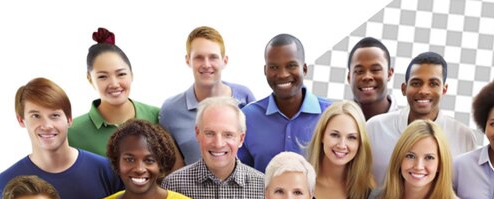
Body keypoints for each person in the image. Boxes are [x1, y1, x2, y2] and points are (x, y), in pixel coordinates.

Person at [0, 77, 121, 199]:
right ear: (21, 120)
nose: (46, 125)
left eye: (55, 115)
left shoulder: (105, 170)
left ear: (69, 119)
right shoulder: (3, 184)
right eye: (35, 116)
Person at [162, 96, 268, 199]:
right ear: (197, 133)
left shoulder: (263, 187)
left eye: (228, 134)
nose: (218, 144)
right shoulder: (173, 186)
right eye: (210, 133)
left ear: (241, 138)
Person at [68, 27, 183, 165]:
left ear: (132, 74)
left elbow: (176, 173)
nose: (114, 84)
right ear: (90, 79)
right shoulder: (72, 132)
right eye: (103, 77)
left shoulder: (158, 116)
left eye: (121, 74)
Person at [367, 52, 476, 185]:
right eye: (416, 83)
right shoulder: (374, 128)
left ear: (444, 89)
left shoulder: (463, 137)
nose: (424, 90)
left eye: (433, 83)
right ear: (404, 88)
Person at [159, 26, 255, 165]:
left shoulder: (245, 97)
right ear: (188, 60)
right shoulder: (170, 111)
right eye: (199, 58)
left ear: (225, 61)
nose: (206, 64)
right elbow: (173, 169)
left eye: (213, 57)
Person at [238, 34, 332, 172]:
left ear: (304, 69)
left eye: (291, 66)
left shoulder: (330, 114)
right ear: (265, 70)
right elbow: (241, 174)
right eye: (274, 67)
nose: (282, 74)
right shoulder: (247, 117)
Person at [347, 37, 397, 120]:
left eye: (375, 70)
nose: (367, 77)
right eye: (359, 71)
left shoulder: (407, 125)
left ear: (389, 73)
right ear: (349, 77)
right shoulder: (333, 123)